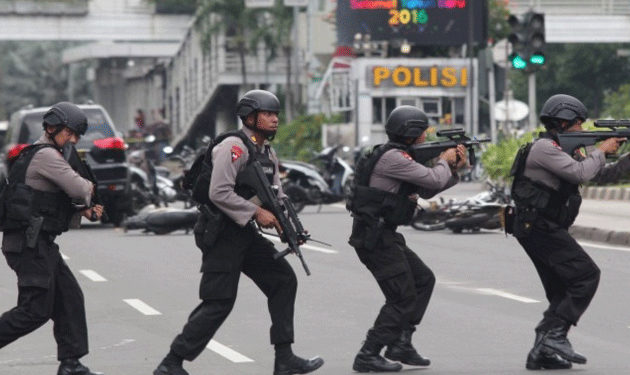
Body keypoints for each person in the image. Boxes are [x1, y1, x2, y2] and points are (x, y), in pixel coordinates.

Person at [153, 90, 324, 375]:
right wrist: (257, 212)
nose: (274, 119)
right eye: (267, 114)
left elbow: (276, 196)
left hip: (242, 232)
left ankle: (284, 358)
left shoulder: (267, 151)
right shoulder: (234, 147)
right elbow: (218, 192)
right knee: (218, 302)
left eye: (275, 114)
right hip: (219, 232)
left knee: (283, 280)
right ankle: (171, 362)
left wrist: (288, 229)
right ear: (250, 117)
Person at [508, 94, 626, 370]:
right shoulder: (544, 148)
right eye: (577, 125)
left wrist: (617, 154)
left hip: (540, 226)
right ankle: (556, 336)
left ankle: (542, 350)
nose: (582, 130)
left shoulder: (562, 149)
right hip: (536, 226)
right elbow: (580, 173)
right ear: (561, 122)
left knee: (562, 289)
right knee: (586, 275)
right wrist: (601, 150)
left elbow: (600, 174)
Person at [346, 105, 467, 372]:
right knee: (402, 297)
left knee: (423, 280)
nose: (426, 135)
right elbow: (432, 179)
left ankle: (401, 342)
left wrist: (454, 167)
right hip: (374, 238)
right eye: (423, 131)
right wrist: (443, 161)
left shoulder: (400, 156)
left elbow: (426, 189)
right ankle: (368, 353)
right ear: (411, 131)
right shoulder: (394, 159)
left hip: (384, 235)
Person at [0, 102, 104, 375]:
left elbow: (58, 201)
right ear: (51, 127)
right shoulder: (46, 156)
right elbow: (79, 188)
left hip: (37, 242)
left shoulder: (50, 155)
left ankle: (71, 363)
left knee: (69, 297)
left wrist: (86, 206)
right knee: (35, 310)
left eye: (76, 135)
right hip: (28, 244)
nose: (73, 140)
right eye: (69, 133)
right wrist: (88, 190)